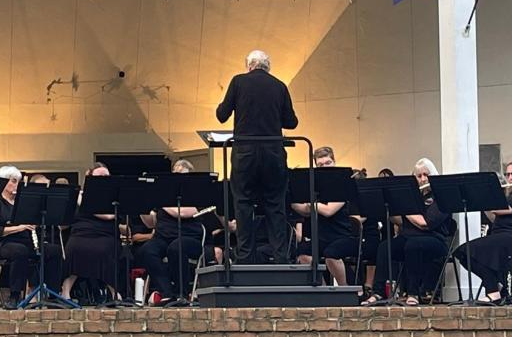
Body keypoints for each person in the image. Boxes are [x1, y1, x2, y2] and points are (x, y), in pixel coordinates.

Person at [216, 49, 298, 264]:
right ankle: (281, 256)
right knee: (275, 204)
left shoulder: (238, 82)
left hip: (245, 153)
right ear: (267, 66)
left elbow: (222, 115)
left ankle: (245, 257)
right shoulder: (280, 85)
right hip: (273, 152)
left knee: (243, 203)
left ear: (249, 65)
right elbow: (291, 122)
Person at [363, 158, 453, 305]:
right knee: (385, 247)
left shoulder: (441, 197)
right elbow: (400, 220)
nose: (423, 179)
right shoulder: (412, 196)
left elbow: (426, 223)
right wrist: (390, 205)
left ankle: (413, 293)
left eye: (426, 175)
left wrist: (404, 207)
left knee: (413, 245)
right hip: (409, 237)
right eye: (419, 176)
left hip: (435, 239)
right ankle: (378, 292)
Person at [452, 159, 512, 305]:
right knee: (463, 253)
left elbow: (501, 208)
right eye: (508, 175)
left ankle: (493, 291)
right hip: (503, 236)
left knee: (469, 251)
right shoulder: (511, 196)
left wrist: (486, 193)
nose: (510, 178)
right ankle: (497, 287)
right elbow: (493, 217)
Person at [0, 165, 64, 303]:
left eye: (18, 181)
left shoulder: (21, 201)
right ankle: (15, 295)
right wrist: (19, 227)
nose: (16, 184)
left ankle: (53, 295)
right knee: (19, 251)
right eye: (13, 181)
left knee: (54, 250)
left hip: (24, 241)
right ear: (3, 181)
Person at [137, 159, 206, 304]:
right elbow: (151, 223)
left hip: (189, 237)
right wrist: (142, 205)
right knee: (147, 251)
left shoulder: (196, 192)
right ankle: (166, 291)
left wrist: (160, 200)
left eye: (182, 174)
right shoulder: (164, 194)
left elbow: (184, 213)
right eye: (176, 173)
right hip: (163, 237)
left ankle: (182, 293)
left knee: (176, 248)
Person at [291, 146, 357, 285]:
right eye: (320, 165)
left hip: (341, 235)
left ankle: (343, 288)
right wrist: (291, 201)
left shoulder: (342, 183)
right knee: (303, 253)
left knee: (331, 254)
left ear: (334, 162)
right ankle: (323, 288)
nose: (325, 167)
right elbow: (304, 210)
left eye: (328, 163)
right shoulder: (314, 185)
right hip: (321, 236)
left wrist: (311, 204)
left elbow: (328, 211)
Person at [61, 164, 120, 301]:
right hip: (81, 232)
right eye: (100, 176)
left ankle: (114, 291)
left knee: (104, 249)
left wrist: (85, 202)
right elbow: (65, 222)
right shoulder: (79, 196)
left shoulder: (114, 196)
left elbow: (109, 216)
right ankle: (66, 291)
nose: (104, 179)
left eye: (106, 176)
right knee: (74, 247)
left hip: (106, 233)